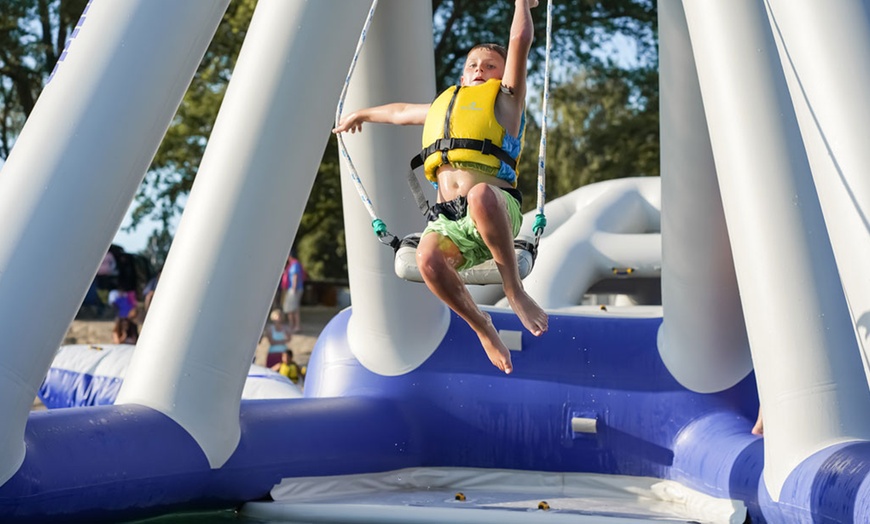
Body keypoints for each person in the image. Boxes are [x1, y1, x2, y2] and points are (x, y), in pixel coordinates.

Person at [332, 0, 547, 375]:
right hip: (446, 220)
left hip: (495, 210)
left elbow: (519, 40)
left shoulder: (507, 102)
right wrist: (360, 114)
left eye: (490, 66)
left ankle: (514, 290)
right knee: (427, 259)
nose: (479, 69)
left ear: (503, 77)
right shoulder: (443, 106)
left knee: (480, 195)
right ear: (462, 77)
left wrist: (520, 5)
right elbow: (399, 113)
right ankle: (482, 327)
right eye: (473, 65)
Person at [281, 252, 305, 333]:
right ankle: (293, 325)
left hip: (294, 289)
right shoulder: (292, 264)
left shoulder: (295, 264)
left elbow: (295, 276)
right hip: (292, 289)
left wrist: (293, 288)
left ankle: (295, 326)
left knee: (293, 308)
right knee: (292, 308)